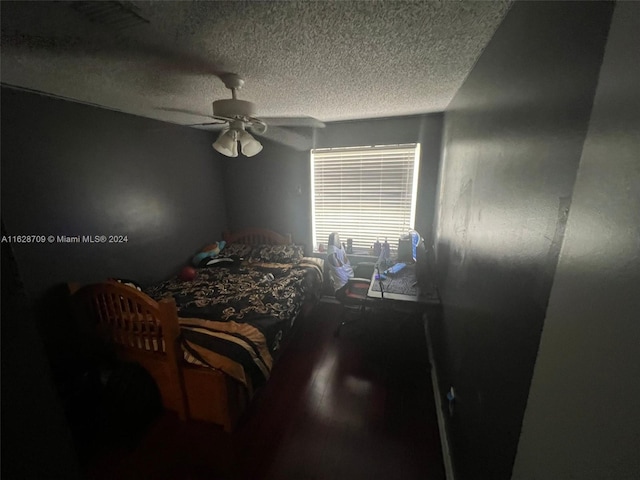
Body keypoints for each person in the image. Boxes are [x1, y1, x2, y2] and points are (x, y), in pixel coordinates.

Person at [326, 232, 354, 300]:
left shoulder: (341, 249)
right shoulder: (332, 255)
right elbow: (341, 274)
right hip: (343, 288)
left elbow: (346, 267)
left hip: (349, 282)